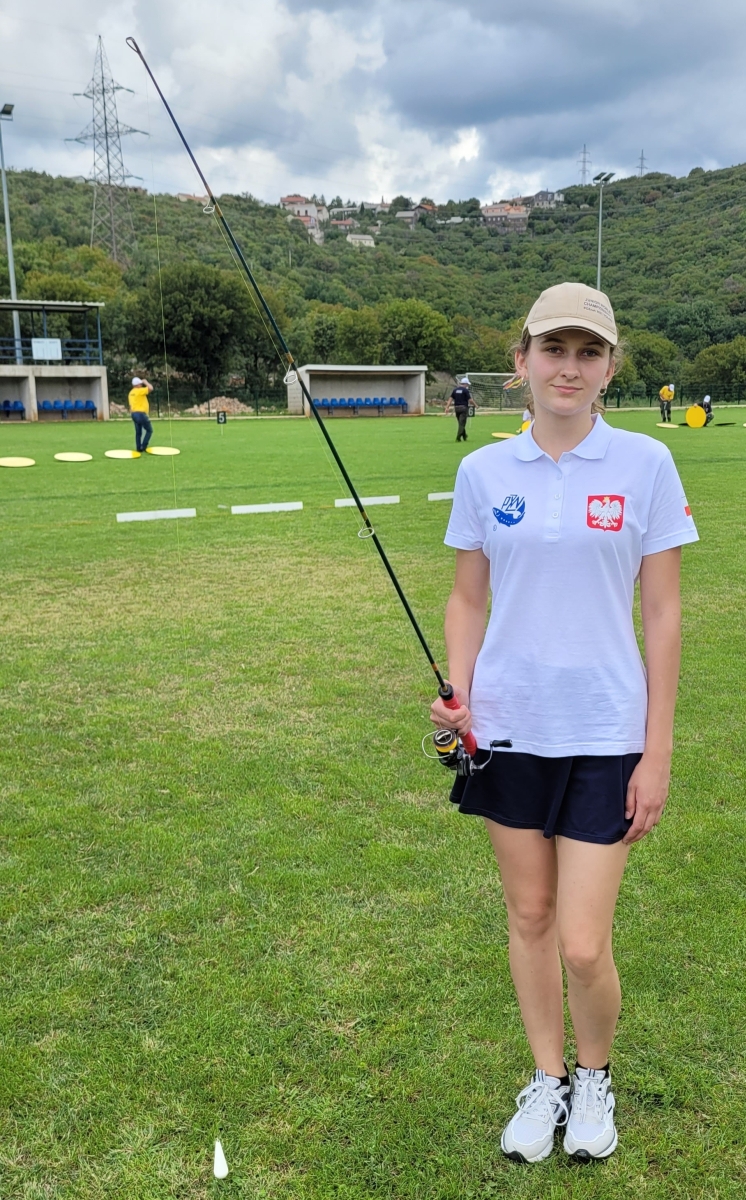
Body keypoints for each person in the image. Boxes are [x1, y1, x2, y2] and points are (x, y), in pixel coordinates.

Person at [430, 282, 698, 1164]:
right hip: (508, 731)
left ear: (610, 367)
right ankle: (547, 1078)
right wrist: (460, 692)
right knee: (530, 914)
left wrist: (657, 751)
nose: (569, 368)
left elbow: (663, 614)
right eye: (554, 349)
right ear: (522, 362)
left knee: (584, 945)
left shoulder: (647, 464)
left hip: (608, 732)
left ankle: (593, 1077)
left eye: (589, 352)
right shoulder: (483, 473)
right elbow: (467, 599)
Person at [128, 376, 154, 453]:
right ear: (138, 385)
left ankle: (138, 448)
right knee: (149, 430)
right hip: (141, 414)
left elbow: (130, 406)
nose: (141, 385)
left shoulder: (131, 393)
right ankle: (144, 446)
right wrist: (146, 382)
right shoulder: (139, 391)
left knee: (138, 432)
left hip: (134, 414)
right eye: (140, 384)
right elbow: (151, 388)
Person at [445, 376, 472, 442]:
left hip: (456, 408)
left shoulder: (455, 390)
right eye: (467, 384)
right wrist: (476, 405)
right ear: (465, 384)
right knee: (462, 424)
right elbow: (470, 400)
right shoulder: (465, 390)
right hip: (463, 408)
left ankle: (464, 436)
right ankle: (458, 437)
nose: (468, 386)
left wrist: (447, 407)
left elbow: (450, 399)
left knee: (460, 423)